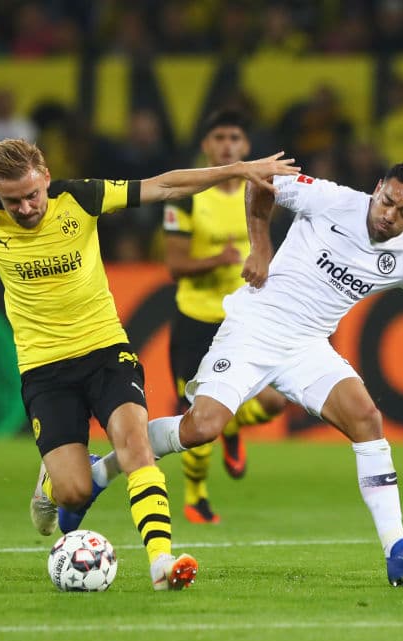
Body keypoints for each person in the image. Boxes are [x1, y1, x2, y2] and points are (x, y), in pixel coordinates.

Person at [0, 138, 299, 590]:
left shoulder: (81, 198)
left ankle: (161, 561)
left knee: (135, 446)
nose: (25, 209)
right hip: (45, 371)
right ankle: (55, 477)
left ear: (45, 176)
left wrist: (237, 169)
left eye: (30, 195)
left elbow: (165, 185)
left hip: (106, 350)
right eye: (13, 201)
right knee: (73, 493)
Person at [145, 161, 403, 586]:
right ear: (378, 187)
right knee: (200, 429)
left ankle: (396, 549)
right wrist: (260, 247)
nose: (390, 215)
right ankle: (112, 462)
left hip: (307, 345)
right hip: (255, 327)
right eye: (387, 201)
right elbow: (264, 182)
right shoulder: (331, 200)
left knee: (366, 418)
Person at [160, 109, 289, 524]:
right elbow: (175, 264)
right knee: (197, 416)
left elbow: (271, 248)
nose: (228, 145)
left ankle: (231, 426)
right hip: (196, 320)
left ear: (246, 147)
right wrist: (220, 258)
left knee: (274, 401)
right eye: (219, 137)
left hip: (244, 320)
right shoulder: (187, 196)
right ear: (206, 146)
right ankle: (196, 497)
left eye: (235, 137)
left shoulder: (262, 193)